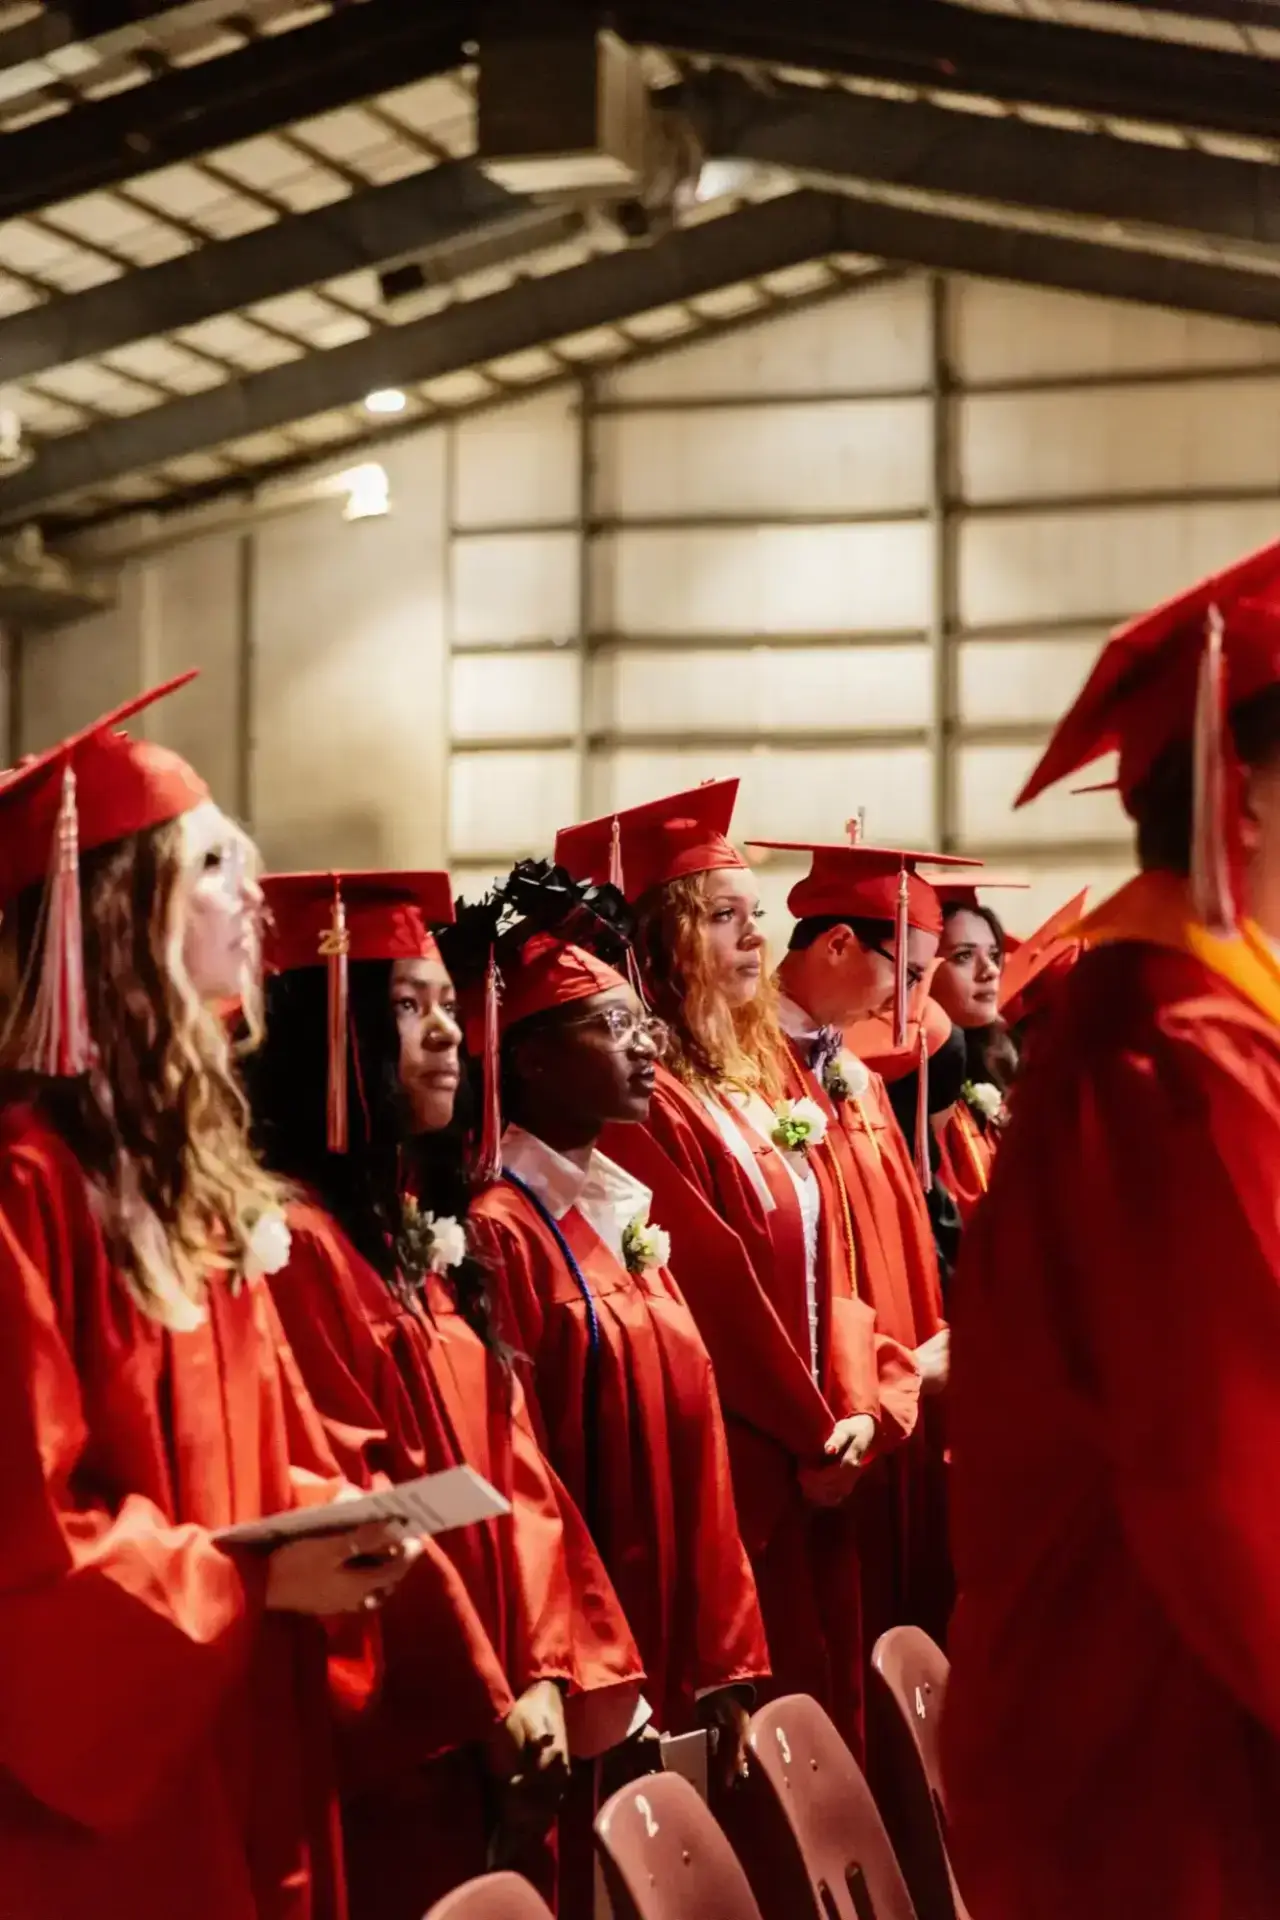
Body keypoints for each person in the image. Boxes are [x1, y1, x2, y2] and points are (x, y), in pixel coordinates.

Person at [0, 678, 417, 1920]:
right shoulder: (27, 1188)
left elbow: (262, 1450)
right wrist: (250, 1583)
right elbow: (29, 1544)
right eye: (214, 863)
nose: (256, 889)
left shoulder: (186, 1179)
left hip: (235, 1731)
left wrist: (328, 1518)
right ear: (113, 914)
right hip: (102, 1798)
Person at [944, 536, 1280, 1920]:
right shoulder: (1167, 1062)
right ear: (1246, 801)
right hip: (1161, 1752)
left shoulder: (1203, 1028)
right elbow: (1224, 1477)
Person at [246, 870, 644, 1920]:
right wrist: (487, 1700)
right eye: (406, 1009)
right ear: (322, 1044)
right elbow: (353, 1485)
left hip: (512, 1716)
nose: (444, 1036)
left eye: (443, 1007)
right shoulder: (297, 1251)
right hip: (412, 1744)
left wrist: (550, 1670)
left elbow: (516, 1469)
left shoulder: (423, 1242)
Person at [555, 786, 918, 1756]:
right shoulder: (650, 1103)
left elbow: (824, 1255)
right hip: (745, 1473)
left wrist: (852, 1406)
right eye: (722, 917)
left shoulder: (756, 1077)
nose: (754, 938)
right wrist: (809, 1436)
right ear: (661, 942)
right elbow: (712, 1289)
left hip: (810, 1454)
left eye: (752, 915)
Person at [450, 867, 770, 1787]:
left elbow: (695, 1429)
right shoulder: (500, 1229)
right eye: (615, 1027)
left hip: (668, 1649)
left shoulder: (621, 1214)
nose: (646, 1049)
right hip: (588, 1660)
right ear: (531, 1060)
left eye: (646, 1025)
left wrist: (722, 1660)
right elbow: (523, 1470)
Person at [749, 837, 963, 1645]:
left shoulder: (860, 1077)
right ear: (838, 942)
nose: (911, 1004)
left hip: (897, 1408)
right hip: (835, 1426)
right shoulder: (749, 1074)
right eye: (906, 975)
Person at [928, 882, 1022, 1222]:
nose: (990, 971)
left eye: (994, 955)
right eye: (964, 956)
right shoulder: (910, 1087)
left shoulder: (999, 1066)